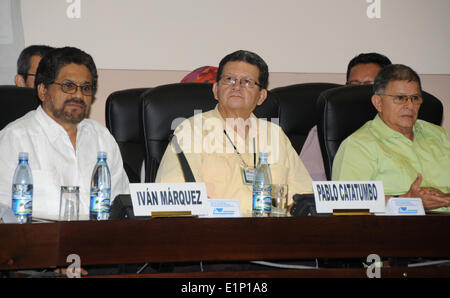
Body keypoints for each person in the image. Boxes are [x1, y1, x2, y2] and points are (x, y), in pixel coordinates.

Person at [156, 50, 313, 216]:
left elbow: (304, 198)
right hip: (214, 234)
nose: (236, 86)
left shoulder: (274, 134)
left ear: (261, 96)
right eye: (229, 79)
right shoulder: (190, 131)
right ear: (216, 90)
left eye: (247, 82)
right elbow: (175, 197)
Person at [0, 46, 130, 220]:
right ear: (43, 91)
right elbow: (3, 214)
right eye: (68, 86)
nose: (78, 95)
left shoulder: (102, 138)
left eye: (85, 88)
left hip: (98, 241)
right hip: (38, 242)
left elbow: (122, 207)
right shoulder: (15, 139)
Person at [332, 64, 450, 212]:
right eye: (400, 98)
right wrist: (407, 201)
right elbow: (346, 204)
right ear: (378, 103)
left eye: (415, 98)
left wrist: (445, 198)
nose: (410, 105)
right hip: (394, 230)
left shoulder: (439, 135)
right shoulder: (358, 145)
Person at [299, 52, 392, 181]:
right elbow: (308, 183)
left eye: (369, 85)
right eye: (354, 85)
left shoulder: (403, 129)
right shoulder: (324, 131)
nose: (360, 93)